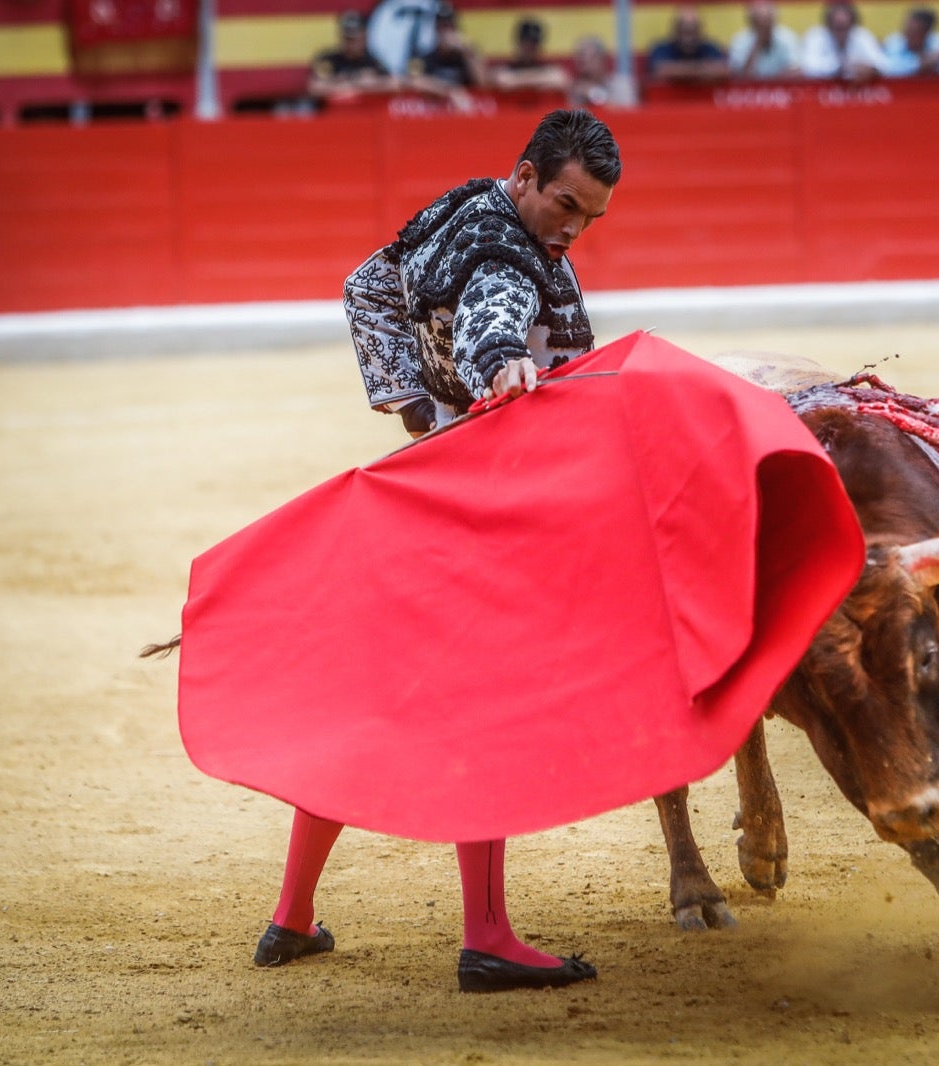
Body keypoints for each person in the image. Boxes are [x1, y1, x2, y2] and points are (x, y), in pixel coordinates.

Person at [253, 112, 621, 993]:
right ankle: (488, 934)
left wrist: (415, 409)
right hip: (477, 499)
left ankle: (292, 917)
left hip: (424, 478)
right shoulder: (504, 248)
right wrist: (494, 371)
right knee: (483, 703)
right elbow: (498, 321)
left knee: (369, 693)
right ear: (526, 174)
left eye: (591, 218)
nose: (572, 228)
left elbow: (364, 287)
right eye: (564, 204)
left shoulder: (459, 209)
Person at [308, 10, 399, 100]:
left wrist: (373, 85)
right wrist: (353, 83)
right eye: (347, 38)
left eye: (355, 39)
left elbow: (394, 84)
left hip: (364, 110)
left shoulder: (373, 61)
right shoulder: (329, 60)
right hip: (336, 110)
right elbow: (315, 87)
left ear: (364, 37)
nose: (351, 44)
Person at [799, 2, 890, 81]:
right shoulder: (816, 36)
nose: (841, 32)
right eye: (838, 27)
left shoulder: (861, 35)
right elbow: (807, 67)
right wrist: (840, 66)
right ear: (829, 24)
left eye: (845, 27)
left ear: (852, 24)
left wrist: (871, 69)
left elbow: (883, 65)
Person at [647, 6, 730, 83]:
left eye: (693, 32)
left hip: (702, 96)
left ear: (701, 32)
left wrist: (680, 70)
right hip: (667, 97)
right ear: (675, 31)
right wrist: (703, 68)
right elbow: (661, 70)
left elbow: (724, 70)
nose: (689, 38)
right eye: (685, 31)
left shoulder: (710, 48)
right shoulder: (661, 49)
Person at [492, 17, 572, 94]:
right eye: (526, 43)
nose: (529, 48)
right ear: (518, 44)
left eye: (534, 44)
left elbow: (561, 79)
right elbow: (501, 81)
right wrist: (542, 81)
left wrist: (516, 81)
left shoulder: (548, 67)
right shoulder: (506, 68)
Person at [883, 6, 939, 77]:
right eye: (906, 29)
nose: (906, 35)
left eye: (913, 31)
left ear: (927, 33)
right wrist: (922, 64)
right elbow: (888, 70)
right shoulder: (894, 41)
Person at [728, 1, 801, 80]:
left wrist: (770, 85)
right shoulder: (740, 40)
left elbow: (795, 72)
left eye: (767, 20)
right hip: (751, 90)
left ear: (774, 20)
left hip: (781, 89)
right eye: (759, 21)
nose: (764, 26)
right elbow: (741, 76)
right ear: (751, 22)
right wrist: (757, 45)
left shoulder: (787, 37)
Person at [568, 35, 614, 107]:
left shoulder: (620, 85)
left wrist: (593, 92)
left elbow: (623, 111)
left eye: (592, 57)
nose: (584, 61)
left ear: (602, 59)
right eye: (580, 57)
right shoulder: (574, 89)